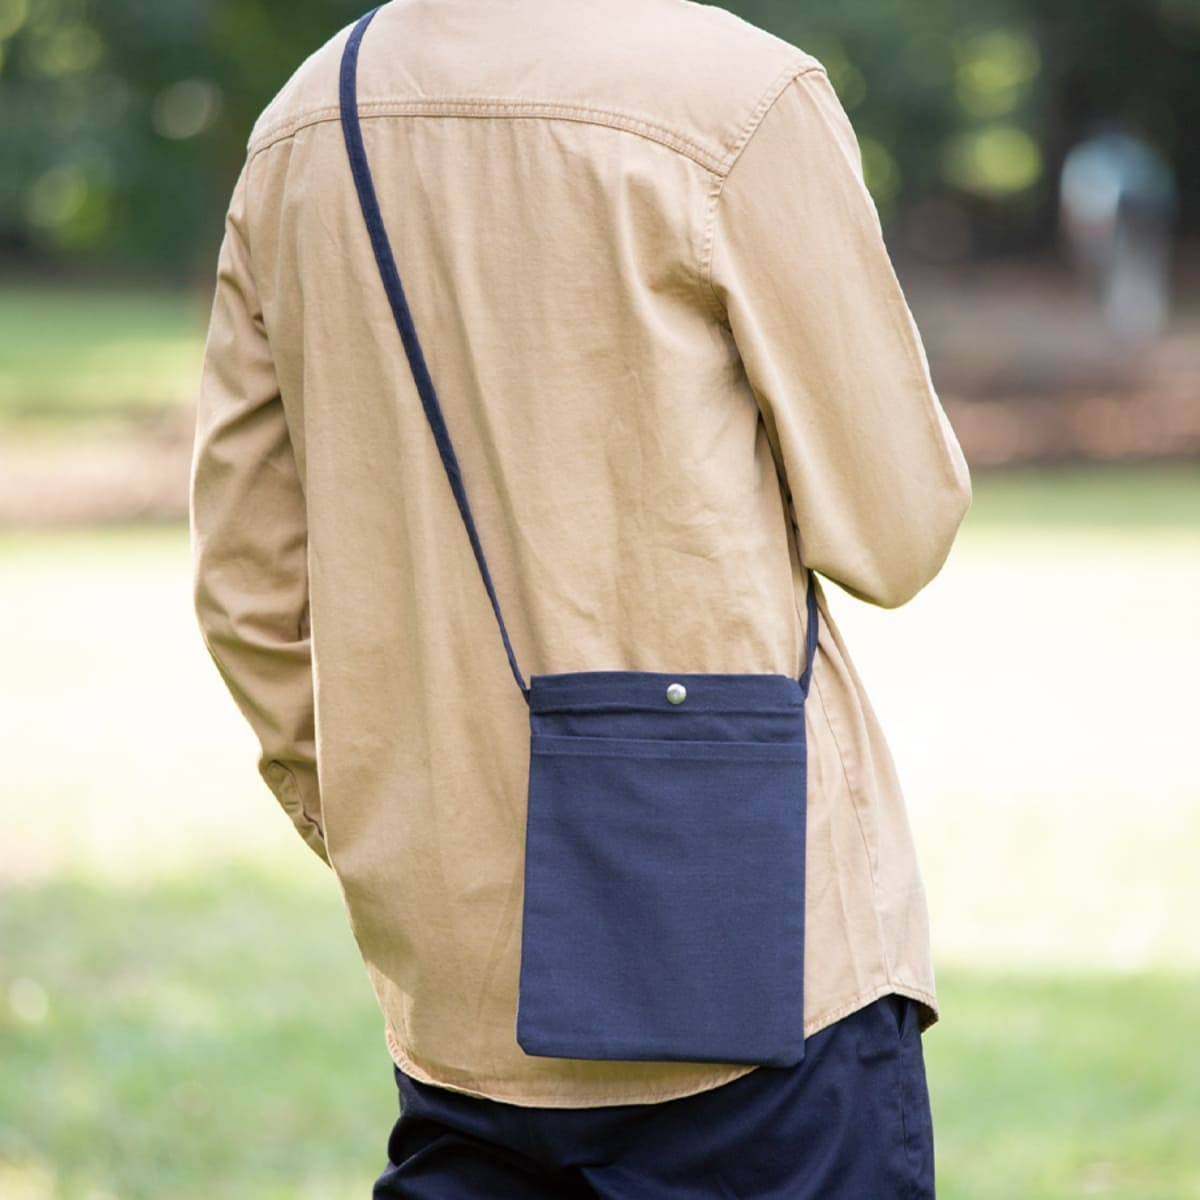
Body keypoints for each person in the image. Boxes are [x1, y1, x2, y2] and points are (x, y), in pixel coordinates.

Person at [190, 0, 971, 1195]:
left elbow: (248, 589)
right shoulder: (737, 99)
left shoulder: (307, 123)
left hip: (460, 987)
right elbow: (896, 532)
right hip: (758, 946)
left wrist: (391, 822)